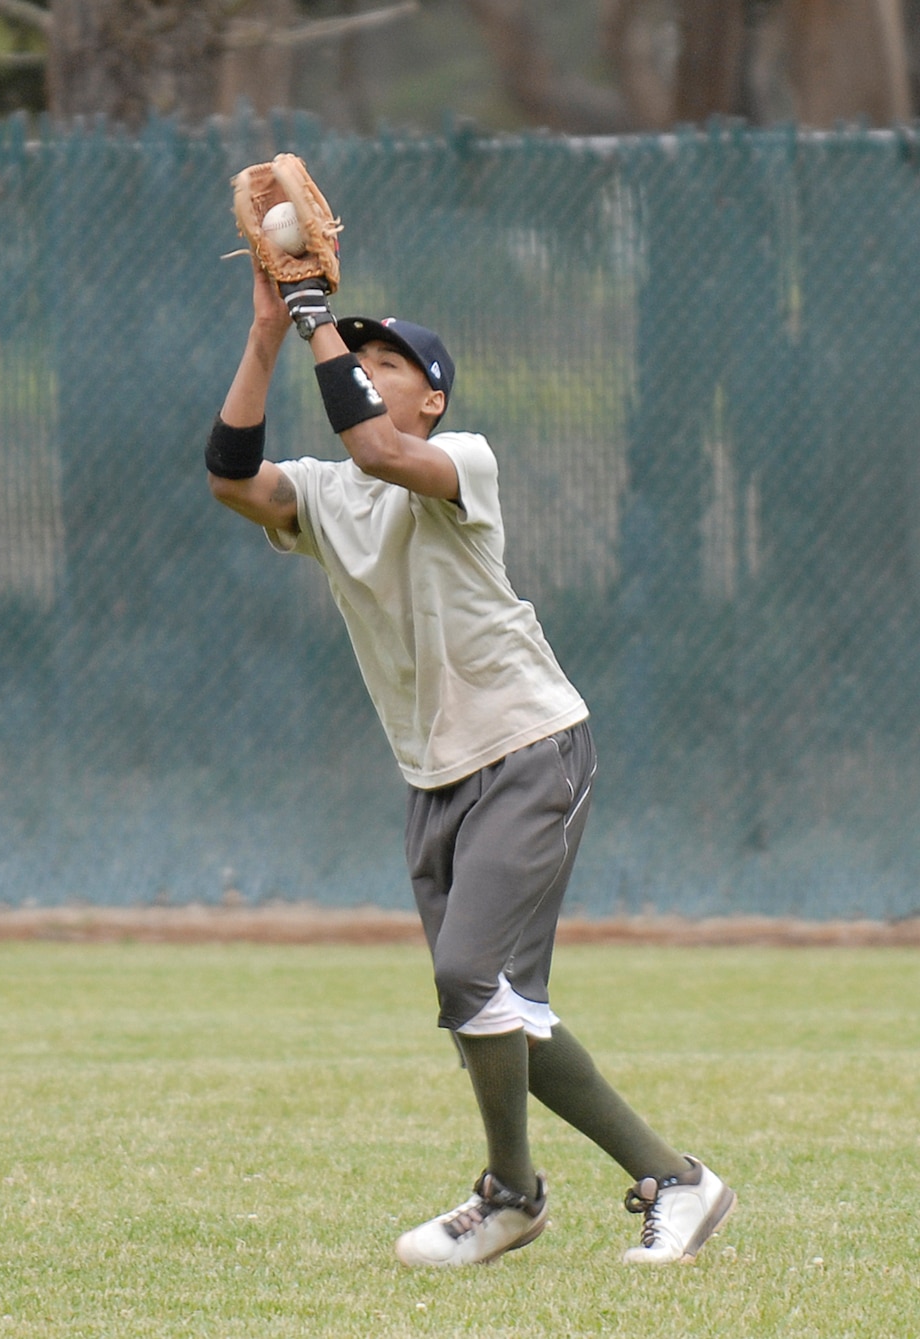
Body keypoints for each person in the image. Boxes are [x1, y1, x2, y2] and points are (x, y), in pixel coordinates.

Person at [202, 263, 735, 1267]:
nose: (361, 366)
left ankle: (574, 1189)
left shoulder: (458, 460)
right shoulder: (322, 497)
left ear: (431, 395)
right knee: (492, 1018)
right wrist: (268, 332)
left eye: (385, 359)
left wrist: (316, 319)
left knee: (468, 978)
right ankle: (600, 1186)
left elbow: (373, 440)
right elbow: (230, 475)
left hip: (529, 749)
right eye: (355, 354)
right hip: (434, 778)